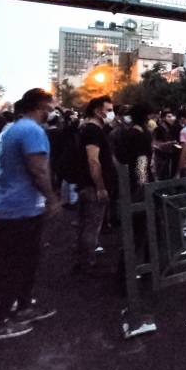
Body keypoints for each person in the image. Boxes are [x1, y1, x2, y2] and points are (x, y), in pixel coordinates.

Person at [0, 88, 59, 341]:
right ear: (41, 106)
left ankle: (24, 306)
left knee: (25, 261)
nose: (54, 110)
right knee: (14, 264)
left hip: (16, 206)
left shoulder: (15, 129)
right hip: (18, 208)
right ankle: (0, 319)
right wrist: (52, 199)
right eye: (51, 105)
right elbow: (38, 170)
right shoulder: (30, 130)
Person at [74, 96, 117, 274]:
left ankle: (83, 260)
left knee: (86, 225)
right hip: (92, 187)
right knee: (92, 226)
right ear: (97, 111)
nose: (111, 114)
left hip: (87, 185)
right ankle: (87, 263)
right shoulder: (93, 131)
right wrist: (100, 187)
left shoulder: (91, 129)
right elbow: (93, 160)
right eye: (108, 110)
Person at [152, 109, 180, 180]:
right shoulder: (158, 129)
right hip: (162, 158)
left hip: (171, 157)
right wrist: (169, 143)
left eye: (172, 116)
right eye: (169, 116)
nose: (171, 118)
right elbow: (155, 144)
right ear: (163, 118)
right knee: (162, 176)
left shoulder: (173, 128)